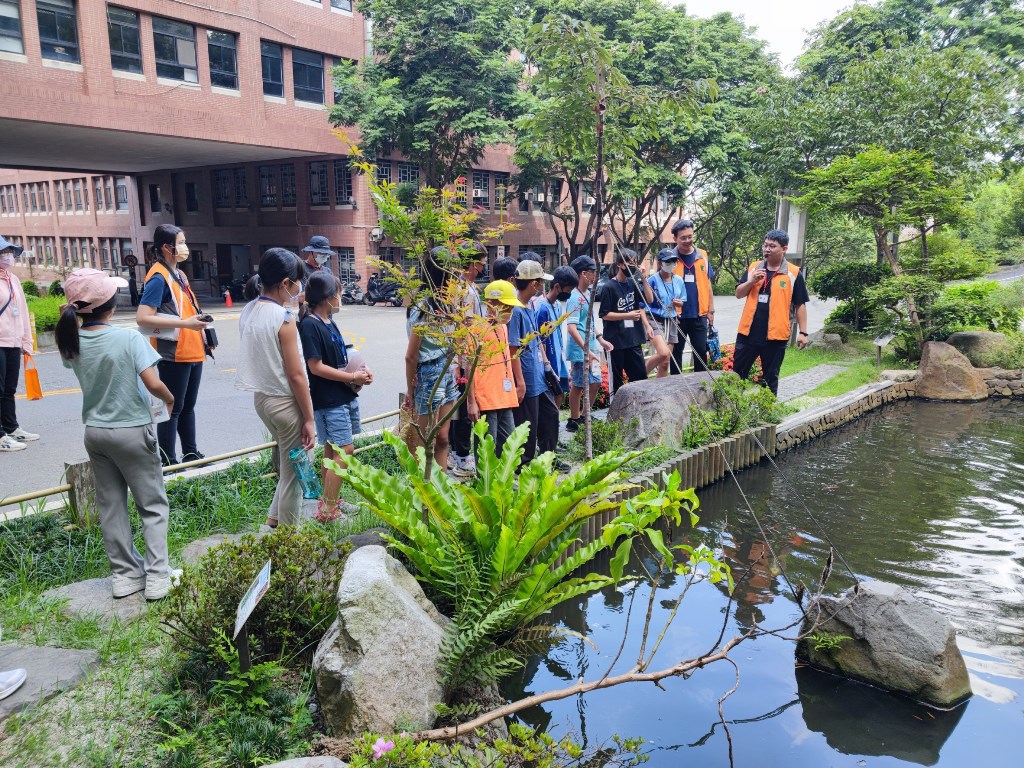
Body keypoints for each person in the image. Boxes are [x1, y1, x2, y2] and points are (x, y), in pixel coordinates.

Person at [56, 268, 179, 600]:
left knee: (111, 506)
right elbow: (153, 383)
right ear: (110, 306)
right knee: (152, 504)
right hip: (131, 430)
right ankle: (158, 577)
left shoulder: (72, 340)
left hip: (95, 433)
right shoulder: (129, 339)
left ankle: (124, 576)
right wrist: (169, 399)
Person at [237, 249, 316, 528]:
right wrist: (309, 419)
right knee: (295, 475)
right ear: (285, 283)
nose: (300, 287)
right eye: (297, 281)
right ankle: (288, 539)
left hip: (263, 400)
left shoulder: (249, 309)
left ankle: (274, 520)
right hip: (285, 403)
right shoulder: (284, 318)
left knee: (288, 465)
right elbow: (296, 375)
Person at [136, 225, 212, 466]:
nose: (185, 247)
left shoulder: (178, 274)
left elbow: (188, 310)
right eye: (180, 242)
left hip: (192, 349)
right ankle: (168, 461)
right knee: (173, 407)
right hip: (174, 352)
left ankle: (191, 454)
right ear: (166, 248)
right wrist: (185, 324)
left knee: (187, 406)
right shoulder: (158, 277)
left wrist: (204, 337)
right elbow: (143, 317)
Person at [298, 272, 372, 521]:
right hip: (328, 399)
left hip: (342, 394)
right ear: (328, 297)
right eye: (338, 293)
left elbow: (341, 355)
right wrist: (352, 377)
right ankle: (328, 509)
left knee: (332, 449)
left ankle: (330, 502)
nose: (341, 297)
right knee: (345, 449)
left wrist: (362, 370)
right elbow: (315, 367)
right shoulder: (310, 325)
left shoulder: (328, 320)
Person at [734, 229, 810, 395]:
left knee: (770, 378)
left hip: (776, 336)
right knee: (737, 375)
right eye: (765, 245)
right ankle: (733, 406)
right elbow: (739, 293)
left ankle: (768, 409)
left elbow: (800, 304)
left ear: (784, 249)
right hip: (748, 333)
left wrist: (803, 332)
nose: (767, 249)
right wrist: (751, 281)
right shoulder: (754, 267)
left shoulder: (793, 273)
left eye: (772, 246)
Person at [403, 248, 460, 470]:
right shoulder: (423, 306)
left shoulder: (449, 303)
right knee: (423, 441)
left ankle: (441, 484)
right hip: (428, 374)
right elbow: (411, 356)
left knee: (443, 437)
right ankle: (421, 487)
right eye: (452, 270)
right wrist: (410, 390)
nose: (456, 275)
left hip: (447, 371)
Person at [509, 259, 564, 469]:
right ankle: (524, 465)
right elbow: (513, 349)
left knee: (551, 415)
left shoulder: (530, 305)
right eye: (540, 281)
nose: (542, 285)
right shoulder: (515, 311)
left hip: (539, 374)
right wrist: (520, 382)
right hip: (527, 377)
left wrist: (547, 365)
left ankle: (547, 458)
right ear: (533, 284)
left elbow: (537, 338)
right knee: (528, 424)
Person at [449, 244, 487, 478]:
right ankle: (461, 456)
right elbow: (463, 329)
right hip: (464, 358)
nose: (483, 268)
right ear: (473, 264)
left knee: (459, 408)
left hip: (464, 357)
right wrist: (461, 363)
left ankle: (456, 453)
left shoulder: (465, 287)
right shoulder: (464, 291)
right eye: (482, 263)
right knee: (464, 409)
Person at [473, 280, 522, 457]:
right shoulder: (477, 330)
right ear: (491, 304)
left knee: (509, 446)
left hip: (504, 397)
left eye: (511, 307)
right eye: (506, 307)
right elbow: (469, 367)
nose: (510, 311)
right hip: (485, 399)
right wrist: (471, 401)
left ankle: (506, 475)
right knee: (487, 450)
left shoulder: (503, 327)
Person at [565, 255, 613, 432]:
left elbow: (589, 322)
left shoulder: (586, 295)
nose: (595, 277)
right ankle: (574, 419)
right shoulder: (575, 297)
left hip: (590, 347)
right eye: (593, 273)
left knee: (595, 382)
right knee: (579, 384)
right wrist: (586, 350)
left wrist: (600, 339)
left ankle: (585, 415)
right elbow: (572, 327)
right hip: (580, 350)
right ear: (583, 274)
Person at [0, 236, 38, 452]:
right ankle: (0, 436)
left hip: (13, 341)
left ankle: (11, 428)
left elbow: (22, 310)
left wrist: (26, 340)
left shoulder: (13, 279)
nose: (8, 256)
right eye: (3, 252)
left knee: (9, 389)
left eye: (9, 252)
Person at [596, 249, 654, 393]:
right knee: (617, 383)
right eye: (630, 263)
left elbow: (649, 299)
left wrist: (644, 278)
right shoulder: (609, 287)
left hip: (633, 339)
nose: (633, 267)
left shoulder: (633, 283)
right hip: (615, 342)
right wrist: (627, 315)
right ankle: (617, 406)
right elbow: (604, 314)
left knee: (640, 378)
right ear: (620, 264)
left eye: (635, 263)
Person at [670, 219, 716, 373]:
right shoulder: (669, 258)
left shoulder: (702, 255)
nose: (687, 240)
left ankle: (701, 385)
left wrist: (711, 310)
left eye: (690, 236)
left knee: (701, 352)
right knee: (676, 354)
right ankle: (676, 385)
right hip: (677, 316)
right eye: (683, 238)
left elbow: (707, 283)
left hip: (699, 315)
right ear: (675, 238)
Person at [535, 265, 578, 409]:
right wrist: (547, 365)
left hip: (559, 359)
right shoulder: (542, 308)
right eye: (568, 290)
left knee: (560, 394)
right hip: (550, 360)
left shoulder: (558, 305)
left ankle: (555, 422)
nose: (569, 294)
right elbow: (541, 341)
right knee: (551, 399)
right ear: (558, 287)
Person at [647, 248, 687, 378]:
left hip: (672, 319)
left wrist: (679, 303)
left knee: (665, 361)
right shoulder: (652, 280)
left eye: (674, 261)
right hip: (655, 318)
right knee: (663, 353)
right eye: (668, 261)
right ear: (660, 262)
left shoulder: (679, 280)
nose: (671, 264)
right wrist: (646, 325)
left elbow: (683, 300)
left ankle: (660, 388)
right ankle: (638, 376)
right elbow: (644, 303)